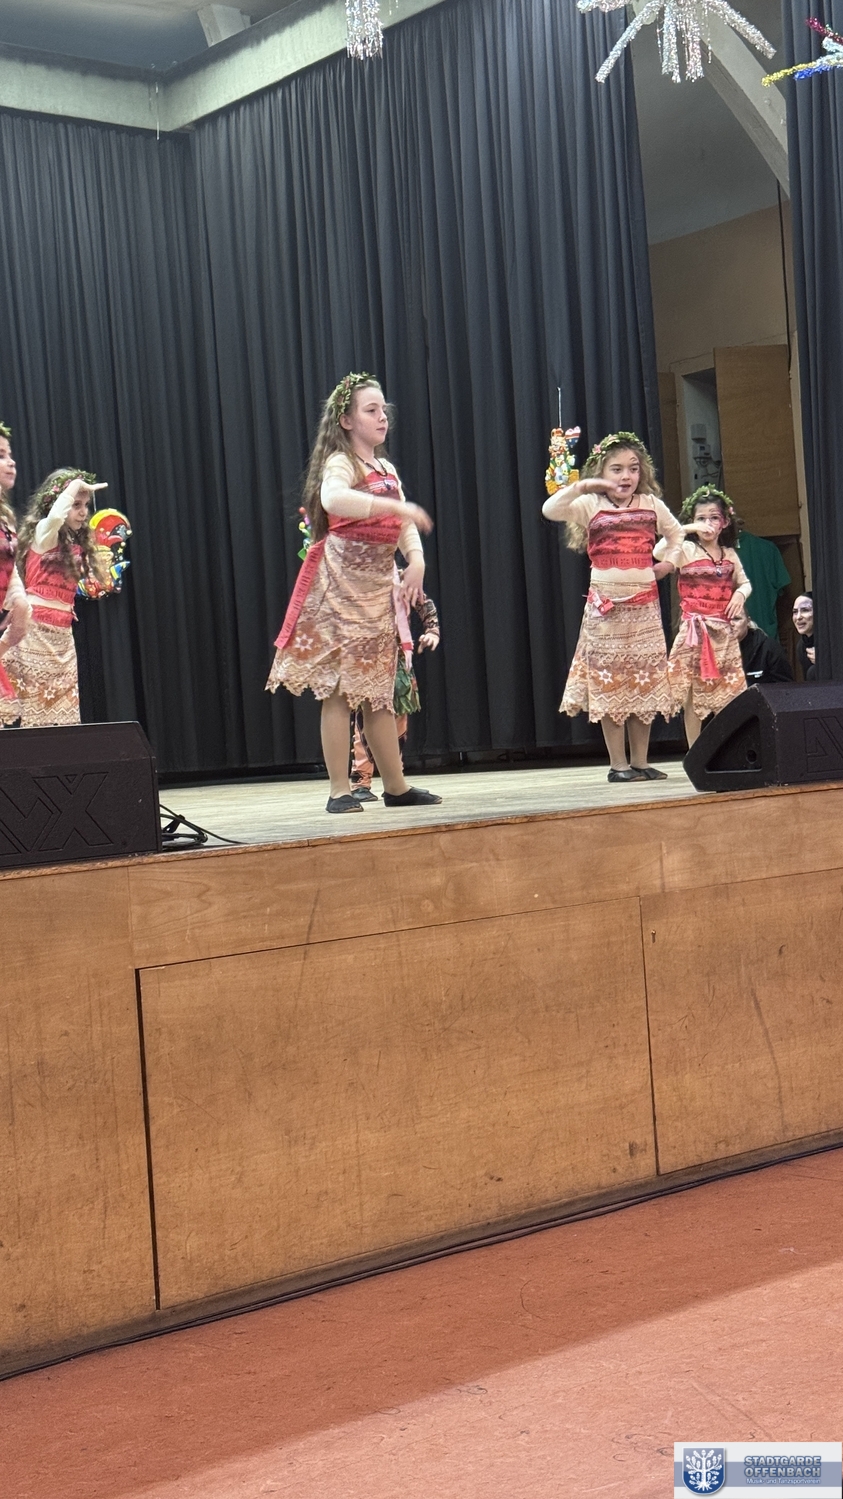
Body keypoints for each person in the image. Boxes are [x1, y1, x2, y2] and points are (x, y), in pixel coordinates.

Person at [267, 372, 442, 812]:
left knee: (378, 692)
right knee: (341, 692)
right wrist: (394, 505)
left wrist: (417, 561)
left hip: (377, 589)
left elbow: (403, 525)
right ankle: (339, 791)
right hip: (340, 588)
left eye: (384, 410)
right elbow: (334, 500)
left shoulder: (386, 469)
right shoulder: (340, 463)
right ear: (346, 420)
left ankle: (396, 788)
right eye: (371, 410)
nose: (383, 417)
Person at [542, 430, 684, 782]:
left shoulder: (651, 504)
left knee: (643, 682)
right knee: (610, 683)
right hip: (606, 609)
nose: (626, 476)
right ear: (601, 472)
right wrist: (581, 487)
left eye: (633, 468)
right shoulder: (591, 505)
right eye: (616, 469)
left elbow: (677, 534)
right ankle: (618, 765)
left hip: (644, 608)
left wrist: (668, 563)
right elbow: (550, 509)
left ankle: (641, 761)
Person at [3, 468, 108, 728]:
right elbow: (55, 517)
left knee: (62, 720)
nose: (83, 512)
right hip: (34, 632)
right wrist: (73, 486)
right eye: (76, 505)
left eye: (85, 506)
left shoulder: (74, 545)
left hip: (63, 638)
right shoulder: (44, 534)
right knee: (33, 714)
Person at [655, 486, 751, 746]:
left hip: (723, 632)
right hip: (695, 632)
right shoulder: (686, 550)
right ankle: (694, 752)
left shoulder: (729, 555)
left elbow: (744, 583)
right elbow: (659, 552)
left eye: (714, 518)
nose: (707, 524)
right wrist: (687, 529)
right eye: (701, 518)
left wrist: (739, 595)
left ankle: (724, 750)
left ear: (725, 522)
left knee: (726, 693)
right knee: (692, 696)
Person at [350, 566, 440, 801]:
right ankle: (361, 781)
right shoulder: (357, 577)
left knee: (398, 721)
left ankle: (395, 781)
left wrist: (433, 631)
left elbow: (424, 603)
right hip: (367, 657)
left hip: (397, 659)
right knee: (364, 720)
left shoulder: (399, 578)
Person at [0, 422, 31, 723]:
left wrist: (19, 600)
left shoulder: (5, 516)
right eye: (0, 455)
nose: (11, 462)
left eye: (9, 454)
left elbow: (8, 563)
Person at [735, 610, 793, 686]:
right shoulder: (718, 652)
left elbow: (787, 688)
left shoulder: (770, 648)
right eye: (725, 619)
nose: (730, 623)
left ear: (748, 621)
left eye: (736, 619)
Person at [792, 593, 815, 680]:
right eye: (795, 612)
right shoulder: (801, 646)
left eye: (805, 610)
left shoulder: (832, 640)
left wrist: (825, 662)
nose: (798, 617)